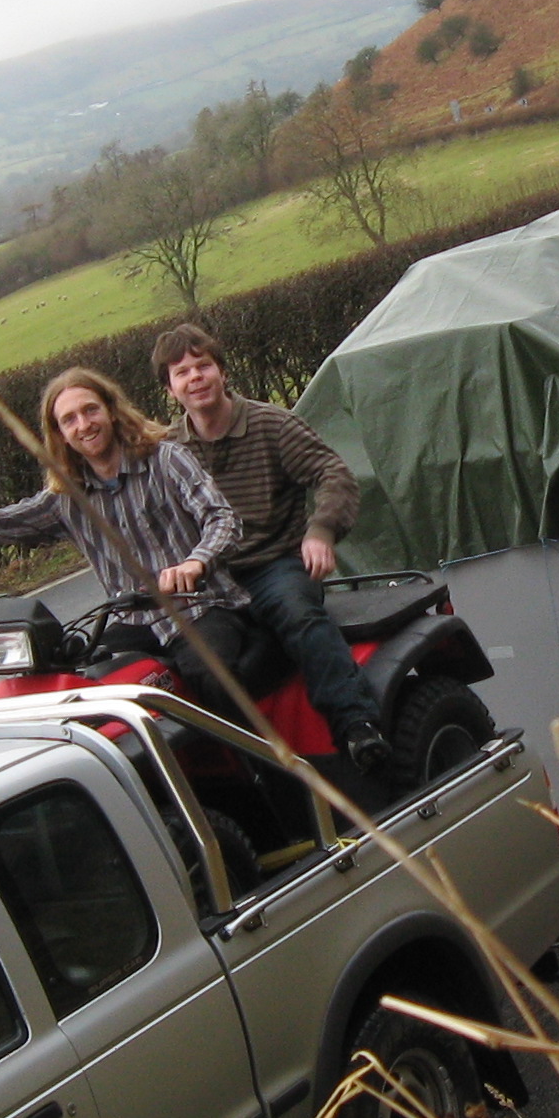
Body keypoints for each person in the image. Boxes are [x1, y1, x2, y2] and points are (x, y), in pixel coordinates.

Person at [0, 367, 276, 707]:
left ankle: (264, 779)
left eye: (90, 410)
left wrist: (195, 562)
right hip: (133, 624)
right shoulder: (66, 496)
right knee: (85, 692)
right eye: (69, 419)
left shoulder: (166, 459)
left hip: (202, 607)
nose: (84, 424)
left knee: (214, 679)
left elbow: (222, 518)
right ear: (60, 434)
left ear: (111, 410)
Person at [150, 321, 390, 777]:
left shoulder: (270, 424)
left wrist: (320, 531)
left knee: (299, 615)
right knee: (184, 663)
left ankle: (357, 724)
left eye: (204, 365)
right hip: (209, 583)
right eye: (182, 372)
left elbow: (331, 473)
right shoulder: (168, 449)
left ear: (222, 371)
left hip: (272, 565)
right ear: (170, 389)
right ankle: (246, 769)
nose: (195, 377)